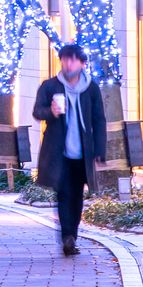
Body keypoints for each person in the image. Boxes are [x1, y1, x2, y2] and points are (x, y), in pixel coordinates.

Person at [33, 42, 107, 256]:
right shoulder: (50, 86)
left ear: (82, 63)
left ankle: (72, 235)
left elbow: (99, 120)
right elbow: (37, 112)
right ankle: (67, 237)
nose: (68, 62)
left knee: (77, 196)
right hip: (58, 151)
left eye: (73, 58)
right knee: (64, 194)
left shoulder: (91, 88)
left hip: (83, 152)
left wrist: (100, 150)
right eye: (65, 58)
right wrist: (51, 111)